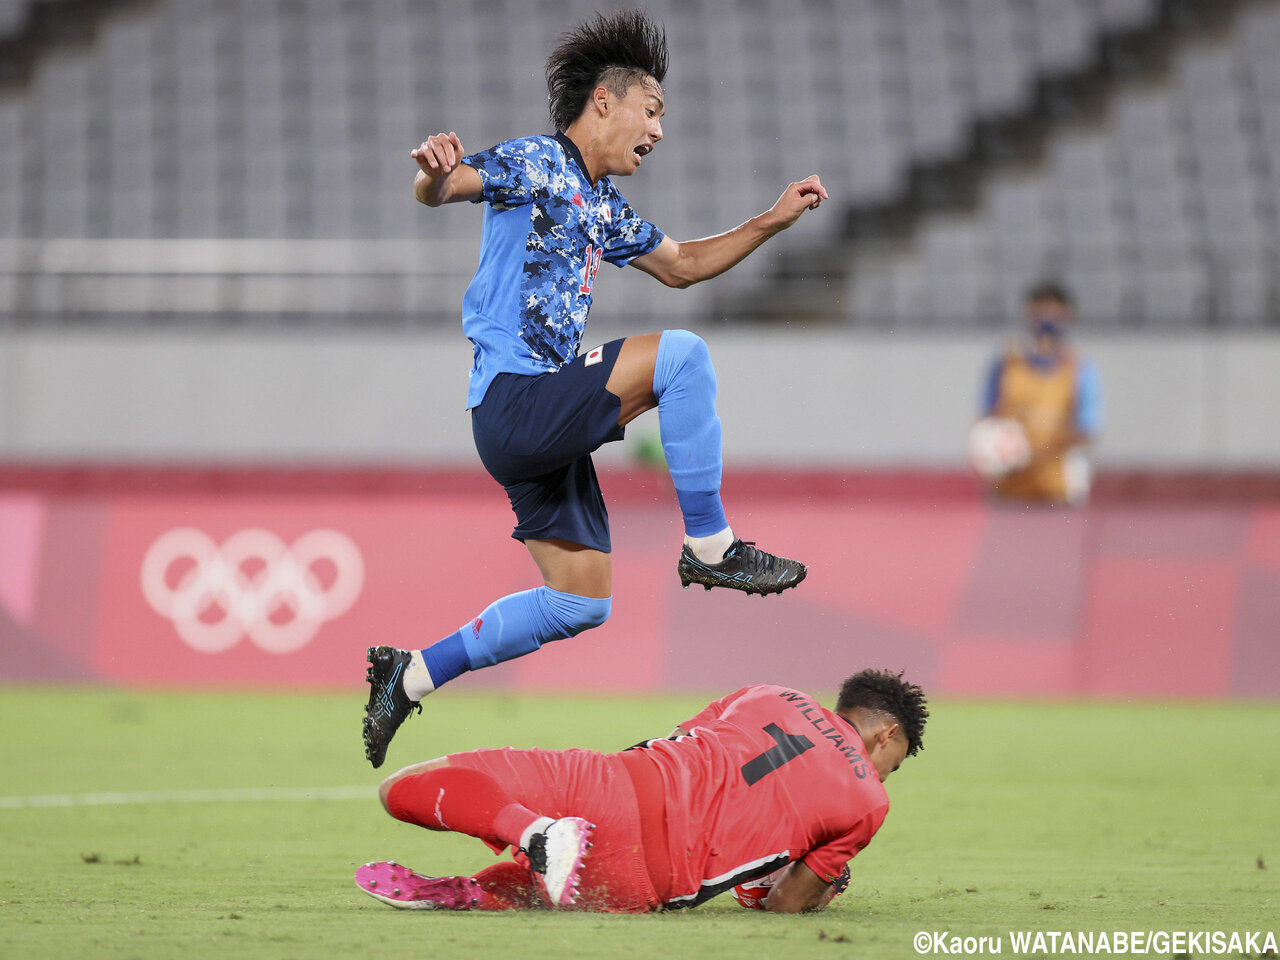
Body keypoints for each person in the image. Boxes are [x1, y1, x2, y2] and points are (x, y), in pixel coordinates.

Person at [362, 10, 826, 768]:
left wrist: (771, 221)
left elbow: (682, 266)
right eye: (653, 110)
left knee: (580, 601)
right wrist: (432, 170)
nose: (659, 131)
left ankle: (408, 675)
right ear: (604, 102)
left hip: (526, 423)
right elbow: (446, 187)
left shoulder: (601, 204)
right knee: (682, 359)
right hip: (518, 400)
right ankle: (711, 545)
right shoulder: (538, 160)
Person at [355, 669, 928, 913]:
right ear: (886, 735)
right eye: (892, 765)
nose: (881, 777)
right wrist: (820, 892)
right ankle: (476, 892)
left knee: (398, 788)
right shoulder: (869, 804)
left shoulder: (770, 694)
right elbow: (783, 904)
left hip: (618, 784)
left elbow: (678, 736)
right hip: (650, 882)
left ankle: (534, 833)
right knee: (548, 889)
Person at [979, 281, 1104, 505]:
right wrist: (991, 450)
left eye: (1054, 310)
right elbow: (986, 419)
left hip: (1059, 490)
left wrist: (1035, 448)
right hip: (1010, 488)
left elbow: (1087, 430)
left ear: (1067, 315)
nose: (1046, 317)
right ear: (1028, 312)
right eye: (1040, 309)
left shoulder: (1079, 367)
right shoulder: (1007, 362)